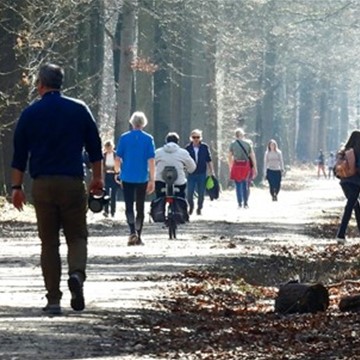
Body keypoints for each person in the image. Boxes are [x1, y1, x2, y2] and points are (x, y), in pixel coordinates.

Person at [11, 63, 103, 315]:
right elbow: (95, 148)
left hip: (42, 184)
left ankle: (53, 300)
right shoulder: (79, 109)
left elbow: (19, 154)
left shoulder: (30, 113)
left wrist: (16, 187)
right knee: (77, 236)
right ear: (61, 83)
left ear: (41, 84)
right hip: (72, 182)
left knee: (49, 243)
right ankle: (76, 274)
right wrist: (98, 178)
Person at [114, 111, 155, 246]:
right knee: (140, 206)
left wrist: (117, 172)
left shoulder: (124, 138)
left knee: (129, 205)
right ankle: (139, 234)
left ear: (131, 122)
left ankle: (132, 231)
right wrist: (152, 179)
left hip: (127, 176)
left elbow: (118, 158)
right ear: (143, 123)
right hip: (142, 177)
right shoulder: (148, 139)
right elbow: (151, 161)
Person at [155, 132, 196, 199]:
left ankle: (159, 207)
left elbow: (149, 165)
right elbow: (192, 167)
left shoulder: (158, 152)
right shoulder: (183, 153)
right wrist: (188, 170)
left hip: (161, 182)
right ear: (177, 142)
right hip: (179, 183)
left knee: (159, 197)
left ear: (166, 141)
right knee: (181, 197)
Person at [336, 130, 360, 245]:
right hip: (355, 183)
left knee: (355, 205)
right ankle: (340, 234)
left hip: (344, 182)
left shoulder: (344, 151)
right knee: (350, 207)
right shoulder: (358, 150)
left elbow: (336, 170)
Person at [185, 129, 215, 215]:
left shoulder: (204, 147)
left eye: (197, 137)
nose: (196, 139)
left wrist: (212, 171)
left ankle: (199, 208)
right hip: (191, 173)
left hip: (202, 173)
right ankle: (191, 206)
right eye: (194, 137)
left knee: (201, 193)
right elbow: (184, 161)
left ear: (200, 138)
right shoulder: (187, 148)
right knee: (189, 193)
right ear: (191, 138)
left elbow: (209, 160)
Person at [228, 128, 257, 208]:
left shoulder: (232, 144)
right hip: (245, 165)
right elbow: (252, 156)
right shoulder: (247, 144)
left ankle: (239, 203)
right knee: (245, 183)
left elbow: (230, 156)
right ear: (242, 135)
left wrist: (230, 166)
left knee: (237, 184)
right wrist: (254, 167)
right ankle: (245, 203)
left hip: (236, 165)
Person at [102, 140, 119, 218]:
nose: (109, 149)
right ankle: (106, 211)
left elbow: (119, 165)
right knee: (106, 194)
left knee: (114, 194)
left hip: (114, 176)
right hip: (107, 176)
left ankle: (113, 211)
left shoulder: (116, 155)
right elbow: (102, 166)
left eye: (110, 148)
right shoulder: (104, 155)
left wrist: (116, 172)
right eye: (107, 148)